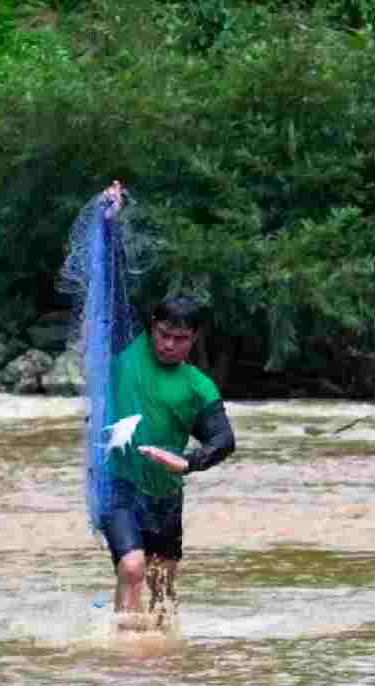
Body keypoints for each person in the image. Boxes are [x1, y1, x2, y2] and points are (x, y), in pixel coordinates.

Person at [96, 183, 236, 630]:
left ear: (193, 340)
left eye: (180, 339)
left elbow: (224, 440)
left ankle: (162, 667)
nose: (169, 345)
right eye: (163, 335)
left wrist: (188, 461)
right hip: (118, 483)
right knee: (132, 568)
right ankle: (122, 654)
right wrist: (111, 222)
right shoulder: (126, 347)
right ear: (152, 328)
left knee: (163, 591)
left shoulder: (198, 387)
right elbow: (113, 287)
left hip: (165, 497)